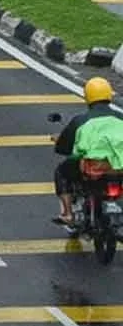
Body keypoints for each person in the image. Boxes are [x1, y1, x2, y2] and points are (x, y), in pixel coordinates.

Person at [53, 77, 123, 225]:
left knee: (61, 172)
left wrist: (60, 142)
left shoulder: (80, 121)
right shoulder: (121, 117)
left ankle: (68, 214)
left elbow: (63, 148)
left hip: (94, 168)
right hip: (120, 167)